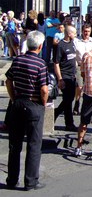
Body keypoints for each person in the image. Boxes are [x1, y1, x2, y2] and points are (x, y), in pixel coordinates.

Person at [5, 30, 48, 191]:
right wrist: (43, 104)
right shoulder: (40, 64)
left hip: (18, 103)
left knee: (14, 145)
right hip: (33, 105)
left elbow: (9, 80)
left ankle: (12, 179)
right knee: (34, 145)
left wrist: (13, 97)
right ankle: (30, 181)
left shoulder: (17, 60)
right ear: (40, 46)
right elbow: (44, 89)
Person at [54, 25, 77, 131]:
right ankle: (67, 121)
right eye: (74, 33)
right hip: (64, 75)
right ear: (68, 33)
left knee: (69, 99)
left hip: (72, 75)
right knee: (68, 99)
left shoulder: (73, 43)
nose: (75, 35)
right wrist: (60, 79)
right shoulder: (60, 45)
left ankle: (66, 120)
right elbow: (56, 63)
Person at [73, 24, 92, 115]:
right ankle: (77, 102)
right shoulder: (76, 41)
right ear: (82, 31)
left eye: (88, 31)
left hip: (90, 66)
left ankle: (86, 107)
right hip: (79, 65)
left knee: (88, 87)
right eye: (85, 31)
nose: (86, 33)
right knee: (79, 86)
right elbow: (73, 54)